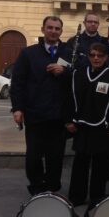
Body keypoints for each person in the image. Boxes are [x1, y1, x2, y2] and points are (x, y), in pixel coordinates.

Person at [10, 16, 72, 195]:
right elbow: (18, 83)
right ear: (43, 29)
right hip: (35, 114)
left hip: (58, 115)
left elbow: (78, 78)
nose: (53, 31)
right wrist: (17, 108)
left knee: (56, 156)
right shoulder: (28, 53)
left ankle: (52, 187)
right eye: (50, 28)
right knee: (34, 156)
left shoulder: (68, 53)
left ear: (61, 31)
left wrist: (65, 71)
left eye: (57, 28)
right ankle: (36, 187)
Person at [65, 43, 109, 207]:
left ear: (106, 57)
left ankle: (96, 197)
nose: (96, 58)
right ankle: (77, 196)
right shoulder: (79, 74)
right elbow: (70, 99)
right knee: (80, 163)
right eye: (93, 55)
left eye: (100, 55)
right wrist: (70, 119)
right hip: (82, 126)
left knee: (100, 164)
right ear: (88, 56)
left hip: (102, 128)